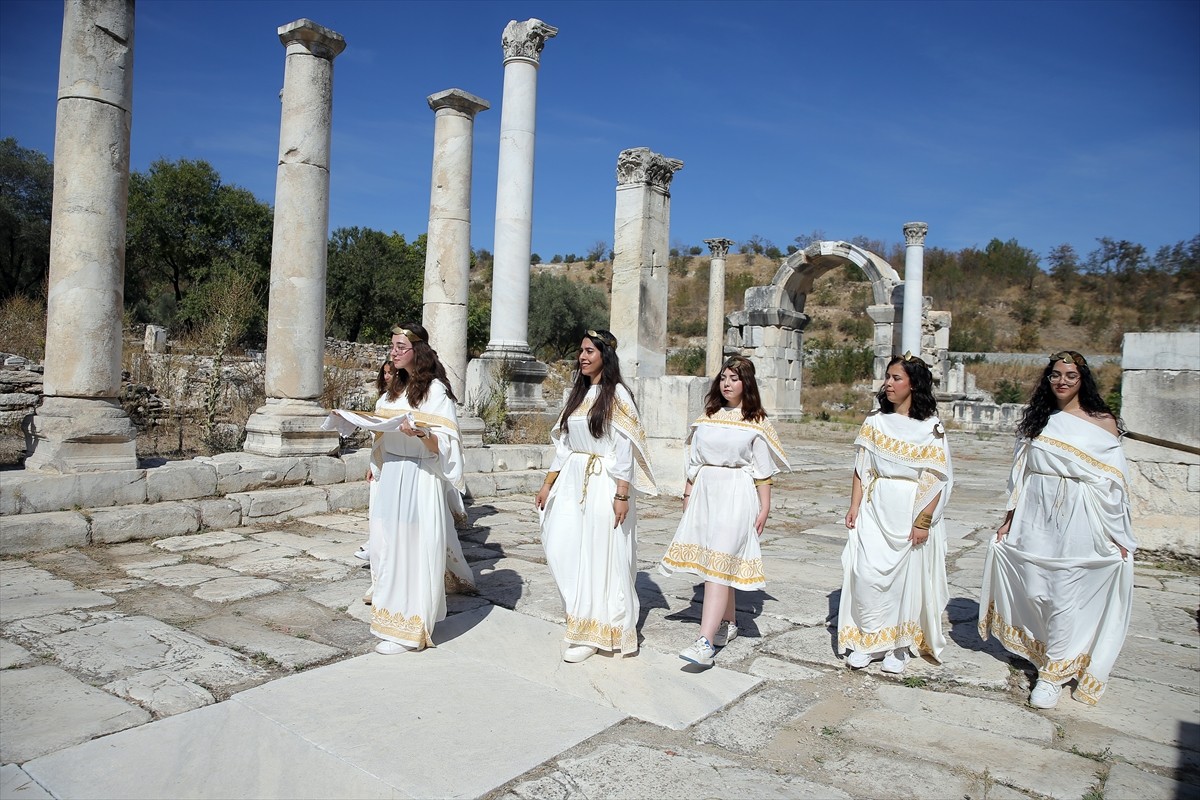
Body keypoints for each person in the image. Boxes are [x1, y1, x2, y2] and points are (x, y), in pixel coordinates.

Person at [979, 350, 1135, 708]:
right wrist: (1008, 520)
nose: (1061, 381)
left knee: (1066, 591)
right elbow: (1020, 475)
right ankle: (1042, 651)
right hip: (1036, 510)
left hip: (1080, 514)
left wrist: (1117, 535)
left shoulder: (1102, 422)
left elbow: (1113, 486)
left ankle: (1053, 672)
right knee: (1037, 587)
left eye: (1070, 375)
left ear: (1083, 380)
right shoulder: (1038, 419)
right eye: (1055, 375)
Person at [323, 323, 475, 654]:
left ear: (417, 351)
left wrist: (421, 434)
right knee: (386, 546)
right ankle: (392, 619)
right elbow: (380, 430)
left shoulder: (435, 392)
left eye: (400, 347)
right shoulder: (393, 391)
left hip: (419, 477)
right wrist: (353, 421)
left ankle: (412, 630)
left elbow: (447, 445)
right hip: (391, 474)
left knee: (414, 550)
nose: (393, 352)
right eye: (392, 346)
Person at [535, 329, 658, 663]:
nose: (583, 356)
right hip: (573, 481)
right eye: (580, 351)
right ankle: (579, 614)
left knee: (600, 554)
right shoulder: (578, 394)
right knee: (562, 546)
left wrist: (622, 495)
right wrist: (548, 483)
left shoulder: (616, 394)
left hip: (604, 482)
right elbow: (563, 446)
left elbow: (623, 450)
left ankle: (597, 630)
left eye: (590, 351)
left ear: (605, 354)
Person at [660, 356, 789, 666]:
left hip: (737, 493)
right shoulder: (708, 415)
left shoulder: (756, 421)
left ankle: (705, 641)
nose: (727, 383)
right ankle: (728, 623)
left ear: (747, 383)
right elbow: (693, 461)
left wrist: (765, 506)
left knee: (719, 563)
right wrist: (688, 493)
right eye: (723, 378)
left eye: (734, 378)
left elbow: (762, 471)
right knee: (716, 562)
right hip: (705, 493)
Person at [838, 352, 953, 674]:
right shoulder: (874, 421)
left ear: (913, 385)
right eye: (887, 377)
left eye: (896, 378)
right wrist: (854, 505)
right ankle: (868, 640)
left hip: (909, 506)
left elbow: (936, 478)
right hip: (877, 504)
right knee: (866, 573)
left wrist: (923, 521)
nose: (888, 383)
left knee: (904, 580)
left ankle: (898, 646)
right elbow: (861, 468)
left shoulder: (931, 428)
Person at [355, 359, 396, 562]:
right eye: (385, 372)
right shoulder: (383, 399)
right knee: (376, 507)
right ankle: (375, 544)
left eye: (391, 373)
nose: (387, 376)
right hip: (380, 458)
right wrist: (372, 463)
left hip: (395, 459)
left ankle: (379, 546)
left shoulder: (403, 399)